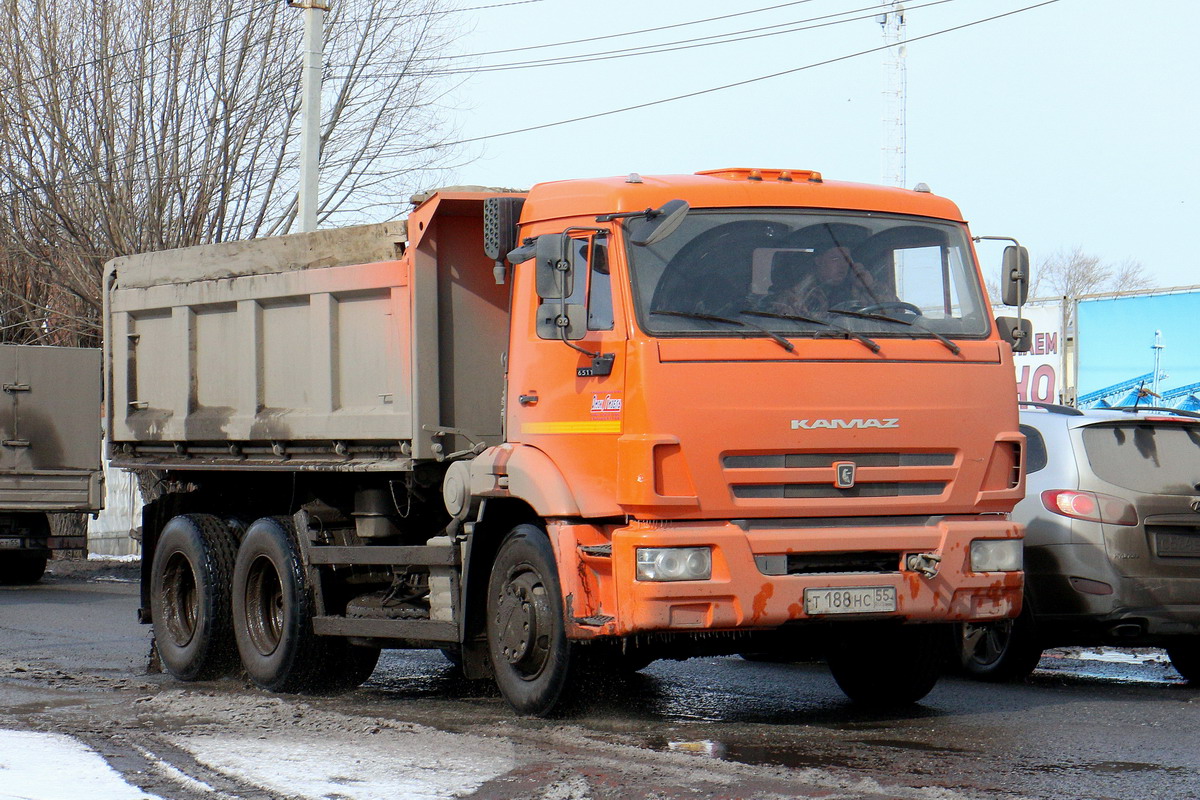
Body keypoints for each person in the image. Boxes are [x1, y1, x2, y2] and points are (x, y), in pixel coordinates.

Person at [764, 245, 888, 314]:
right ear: (818, 261)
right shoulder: (797, 296)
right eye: (835, 259)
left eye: (847, 260)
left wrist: (871, 287)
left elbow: (897, 315)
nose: (843, 265)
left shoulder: (857, 288)